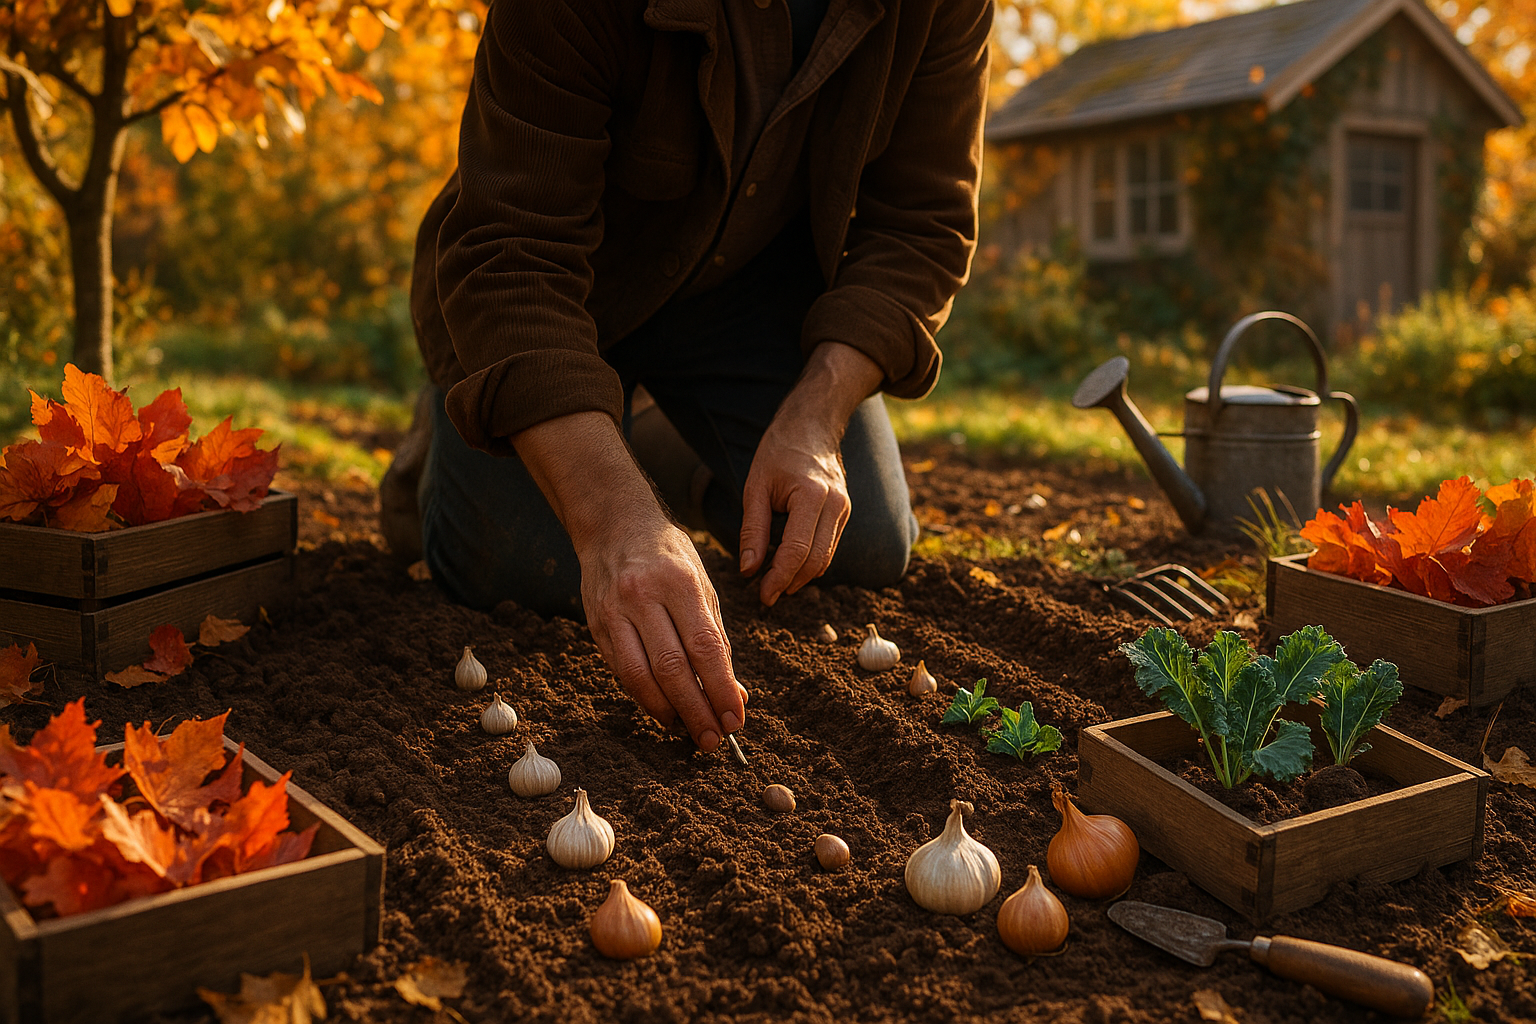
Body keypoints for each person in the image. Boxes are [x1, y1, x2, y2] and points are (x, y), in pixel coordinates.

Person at [390, 0, 991, 755]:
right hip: (555, 297)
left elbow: (922, 227)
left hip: (744, 296)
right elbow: (512, 252)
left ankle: (652, 446)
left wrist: (813, 420)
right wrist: (614, 523)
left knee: (861, 541)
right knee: (522, 572)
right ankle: (456, 435)